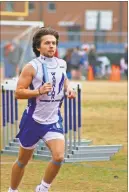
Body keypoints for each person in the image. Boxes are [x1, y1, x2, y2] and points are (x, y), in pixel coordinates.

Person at [8, 27, 76, 192]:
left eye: (54, 43)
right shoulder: (31, 67)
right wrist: (38, 91)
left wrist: (69, 89)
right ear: (39, 47)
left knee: (59, 156)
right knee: (23, 161)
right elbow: (18, 93)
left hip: (53, 120)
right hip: (33, 121)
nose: (51, 46)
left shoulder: (62, 64)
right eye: (47, 43)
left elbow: (64, 80)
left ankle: (43, 188)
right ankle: (12, 190)